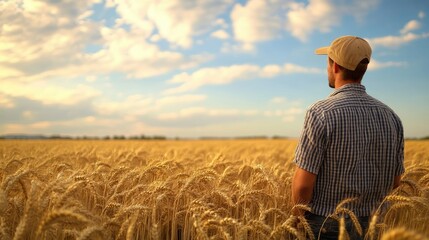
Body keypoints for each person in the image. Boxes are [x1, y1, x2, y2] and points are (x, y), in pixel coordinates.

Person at [291, 36, 404, 240]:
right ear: (364, 69)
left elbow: (303, 185)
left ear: (334, 66)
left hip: (325, 226)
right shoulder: (391, 116)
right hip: (375, 226)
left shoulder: (320, 113)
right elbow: (396, 184)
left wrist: (296, 222)